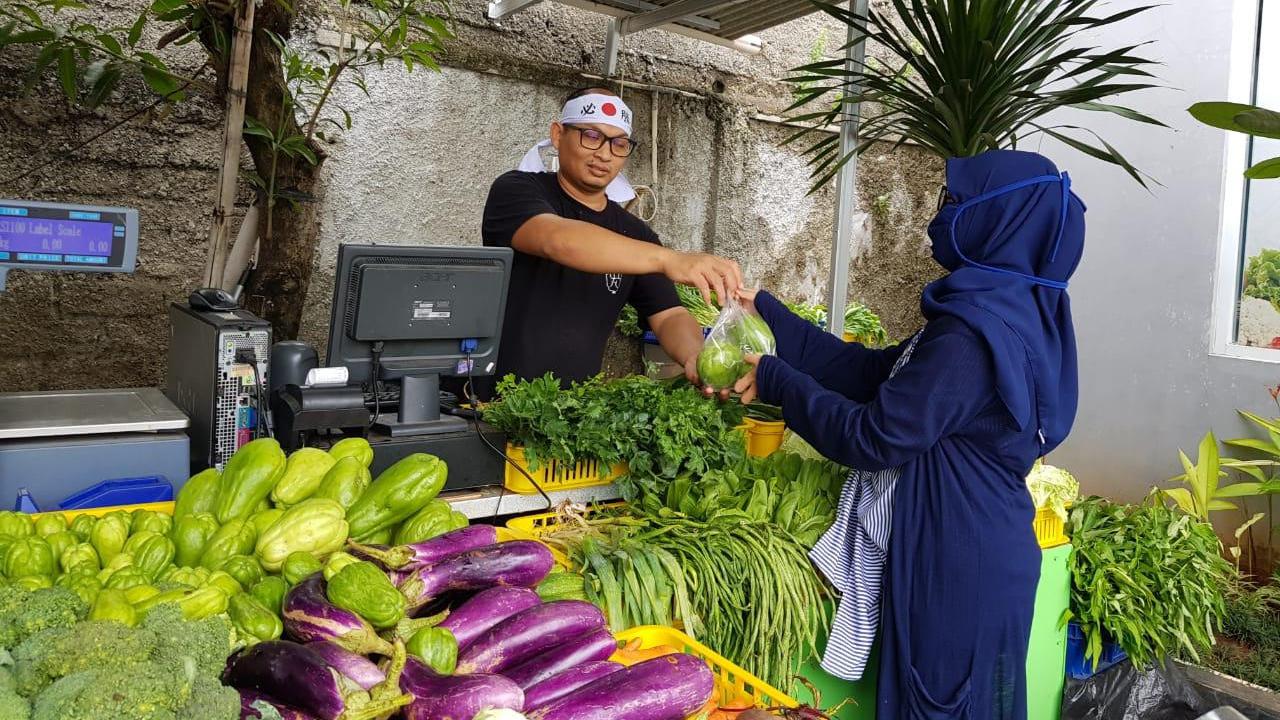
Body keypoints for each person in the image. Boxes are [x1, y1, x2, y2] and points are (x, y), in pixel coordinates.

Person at [734, 150, 1084, 719]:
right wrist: (771, 316)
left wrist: (776, 380)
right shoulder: (1005, 314)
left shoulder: (972, 339)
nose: (941, 215)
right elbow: (874, 375)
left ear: (1002, 221)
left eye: (956, 203)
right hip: (975, 555)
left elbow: (873, 438)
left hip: (955, 569)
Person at [469, 86, 742, 400]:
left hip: (571, 412)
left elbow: (668, 315)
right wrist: (669, 259)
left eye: (619, 143)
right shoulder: (517, 190)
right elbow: (559, 240)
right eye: (591, 136)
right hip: (489, 404)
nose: (604, 154)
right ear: (558, 135)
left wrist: (695, 355)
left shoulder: (636, 236)